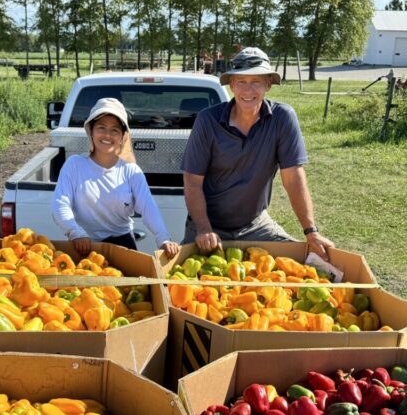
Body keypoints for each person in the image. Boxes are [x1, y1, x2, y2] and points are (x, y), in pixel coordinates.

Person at [181, 46, 334, 259]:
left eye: (256, 82)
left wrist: (311, 231)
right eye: (241, 82)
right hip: (208, 225)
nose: (248, 91)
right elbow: (192, 181)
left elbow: (293, 178)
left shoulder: (282, 118)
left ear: (269, 84)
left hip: (256, 225)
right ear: (232, 84)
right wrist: (204, 229)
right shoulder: (208, 120)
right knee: (183, 279)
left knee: (312, 261)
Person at [52, 97, 180, 257]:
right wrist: (75, 232)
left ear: (122, 137)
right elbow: (60, 203)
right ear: (91, 131)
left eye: (115, 130)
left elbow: (149, 208)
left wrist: (164, 239)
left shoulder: (131, 171)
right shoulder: (74, 165)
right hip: (83, 246)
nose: (107, 135)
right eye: (101, 127)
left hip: (123, 247)